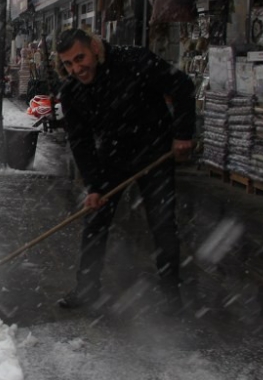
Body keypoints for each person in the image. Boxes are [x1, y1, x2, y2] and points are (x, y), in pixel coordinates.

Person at [54, 28, 195, 313]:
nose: (77, 69)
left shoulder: (134, 61)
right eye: (68, 63)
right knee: (95, 219)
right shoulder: (71, 91)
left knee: (162, 223)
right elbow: (80, 141)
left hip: (154, 150)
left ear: (94, 48)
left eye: (80, 58)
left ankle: (172, 296)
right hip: (113, 155)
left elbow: (182, 85)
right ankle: (87, 289)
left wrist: (182, 134)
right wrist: (94, 186)